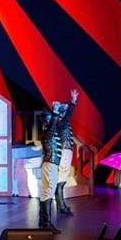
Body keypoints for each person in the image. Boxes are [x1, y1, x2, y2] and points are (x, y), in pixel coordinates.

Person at [40, 89, 78, 229]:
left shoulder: (54, 128)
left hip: (55, 160)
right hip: (52, 162)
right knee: (50, 190)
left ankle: (45, 221)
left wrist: (71, 104)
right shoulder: (52, 129)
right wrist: (68, 106)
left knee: (52, 188)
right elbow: (56, 123)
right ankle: (47, 221)